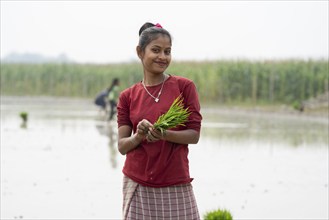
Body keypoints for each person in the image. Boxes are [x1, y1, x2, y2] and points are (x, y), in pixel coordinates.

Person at [117, 22, 202, 219]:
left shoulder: (184, 87)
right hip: (137, 182)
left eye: (167, 51)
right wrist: (138, 136)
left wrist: (164, 134)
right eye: (156, 50)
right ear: (140, 52)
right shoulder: (127, 96)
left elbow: (194, 135)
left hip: (175, 180)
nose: (163, 57)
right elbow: (122, 146)